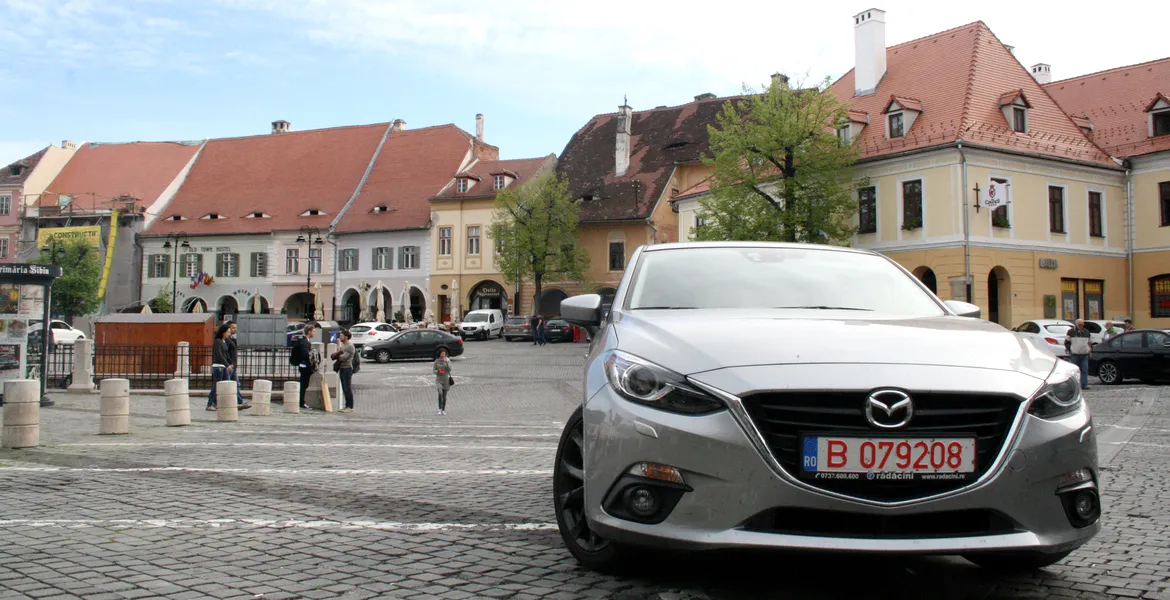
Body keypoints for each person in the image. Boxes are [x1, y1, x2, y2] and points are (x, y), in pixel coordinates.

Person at [289, 323, 317, 410]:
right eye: (313, 331)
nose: (314, 333)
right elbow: (305, 355)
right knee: (304, 385)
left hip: (304, 365)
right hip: (304, 366)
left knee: (304, 385)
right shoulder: (304, 342)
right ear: (309, 332)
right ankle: (301, 402)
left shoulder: (305, 341)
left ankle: (301, 402)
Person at [207, 323, 233, 411]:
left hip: (223, 367)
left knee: (227, 384)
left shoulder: (224, 342)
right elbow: (219, 355)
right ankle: (210, 404)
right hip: (218, 367)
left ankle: (222, 403)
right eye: (228, 332)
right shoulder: (218, 341)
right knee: (216, 386)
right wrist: (227, 365)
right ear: (223, 332)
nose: (230, 334)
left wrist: (231, 363)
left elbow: (226, 354)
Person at [226, 322, 251, 410]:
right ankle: (213, 402)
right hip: (229, 365)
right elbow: (224, 353)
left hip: (233, 365)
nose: (234, 329)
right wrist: (229, 364)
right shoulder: (225, 340)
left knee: (236, 384)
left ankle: (239, 401)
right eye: (232, 328)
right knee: (227, 385)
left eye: (235, 328)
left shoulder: (231, 338)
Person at [331, 330, 356, 413]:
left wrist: (337, 354)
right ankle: (346, 405)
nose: (340, 337)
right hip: (342, 368)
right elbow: (339, 355)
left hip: (347, 368)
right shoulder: (343, 345)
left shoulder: (349, 346)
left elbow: (343, 358)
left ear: (346, 337)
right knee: (344, 388)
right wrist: (339, 352)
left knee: (347, 387)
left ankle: (350, 406)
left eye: (341, 336)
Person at [1064, 319, 1092, 390]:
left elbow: (1089, 342)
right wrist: (1070, 349)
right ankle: (1074, 385)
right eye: (1080, 325)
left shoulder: (1086, 332)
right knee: (1074, 371)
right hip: (1075, 354)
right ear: (1076, 325)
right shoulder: (1071, 332)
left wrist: (1090, 351)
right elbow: (1066, 341)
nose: (1081, 326)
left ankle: (1084, 385)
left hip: (1084, 353)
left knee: (1085, 370)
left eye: (1082, 324)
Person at [433, 348, 452, 415]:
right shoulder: (437, 361)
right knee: (440, 393)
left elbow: (449, 369)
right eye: (442, 354)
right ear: (440, 354)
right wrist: (438, 371)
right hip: (439, 379)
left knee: (444, 396)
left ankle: (443, 409)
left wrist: (446, 363)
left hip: (446, 379)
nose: (443, 355)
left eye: (444, 354)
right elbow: (434, 370)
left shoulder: (447, 360)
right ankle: (439, 408)